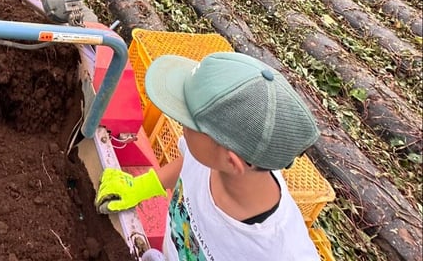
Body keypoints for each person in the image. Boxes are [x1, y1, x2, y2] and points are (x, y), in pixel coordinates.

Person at [95, 51, 320, 260]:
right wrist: (140, 187)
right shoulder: (217, 158)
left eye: (188, 122)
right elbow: (189, 164)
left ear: (231, 161)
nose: (180, 124)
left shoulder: (279, 252)